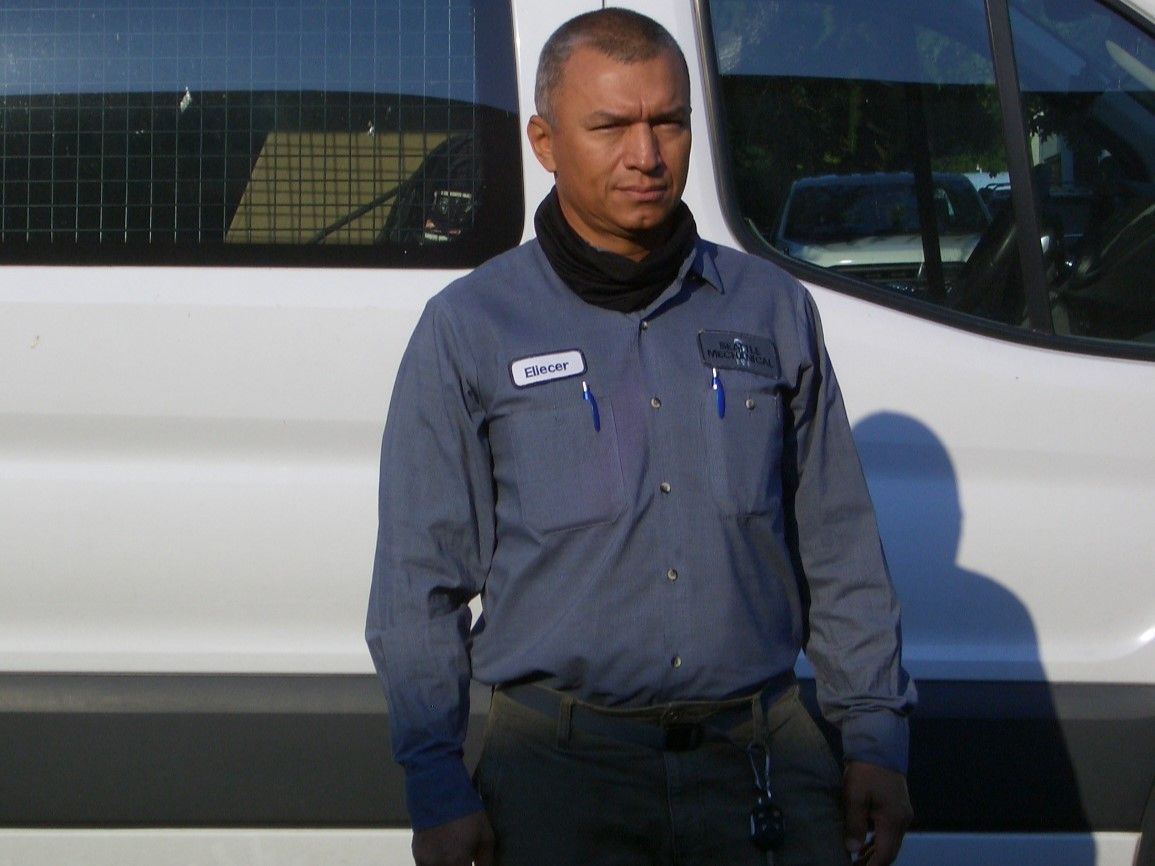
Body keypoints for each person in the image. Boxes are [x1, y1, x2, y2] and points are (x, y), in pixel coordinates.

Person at [366, 9, 915, 866]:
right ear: (544, 142)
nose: (647, 155)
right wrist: (435, 781)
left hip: (760, 768)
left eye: (668, 121)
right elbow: (418, 584)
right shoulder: (469, 328)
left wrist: (874, 735)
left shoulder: (771, 310)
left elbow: (837, 546)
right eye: (612, 126)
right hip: (555, 783)